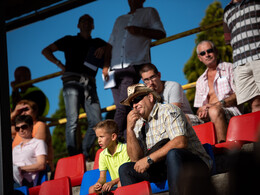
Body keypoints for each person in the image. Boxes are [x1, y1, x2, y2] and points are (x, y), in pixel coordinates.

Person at [119, 83, 212, 195]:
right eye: (131, 103)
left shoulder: (168, 110)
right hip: (162, 167)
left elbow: (180, 142)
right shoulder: (137, 124)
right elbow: (135, 160)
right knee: (125, 169)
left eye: (137, 99)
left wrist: (149, 159)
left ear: (150, 97)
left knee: (173, 153)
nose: (134, 105)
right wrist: (129, 130)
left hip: (192, 164)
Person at [42, 14, 107, 159]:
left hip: (90, 84)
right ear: (78, 25)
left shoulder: (97, 42)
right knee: (72, 120)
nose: (86, 23)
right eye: (83, 21)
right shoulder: (69, 40)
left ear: (93, 26)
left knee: (97, 122)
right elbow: (46, 50)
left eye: (90, 21)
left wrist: (104, 49)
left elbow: (113, 47)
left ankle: (83, 154)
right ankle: (73, 157)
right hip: (71, 81)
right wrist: (59, 64)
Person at [103, 0, 166, 139]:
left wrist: (140, 30)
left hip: (133, 64)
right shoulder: (120, 19)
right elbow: (110, 43)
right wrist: (106, 65)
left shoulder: (149, 12)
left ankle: (111, 139)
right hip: (114, 68)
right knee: (121, 108)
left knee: (121, 106)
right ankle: (125, 141)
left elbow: (161, 33)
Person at [194, 40, 241, 143]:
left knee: (214, 110)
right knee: (186, 119)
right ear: (200, 58)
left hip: (229, 111)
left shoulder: (229, 68)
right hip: (208, 115)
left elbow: (240, 94)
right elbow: (199, 108)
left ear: (216, 51)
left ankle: (223, 150)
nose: (207, 55)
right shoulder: (200, 80)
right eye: (203, 53)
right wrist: (201, 111)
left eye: (209, 51)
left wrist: (220, 104)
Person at [223, 0, 260, 113]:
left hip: (258, 57)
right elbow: (228, 39)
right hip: (240, 63)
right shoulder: (226, 11)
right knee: (254, 104)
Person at [11, 100, 54, 172]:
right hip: (20, 171)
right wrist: (14, 113)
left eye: (26, 109)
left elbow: (33, 148)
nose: (23, 113)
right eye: (20, 111)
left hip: (38, 171)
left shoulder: (40, 125)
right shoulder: (18, 130)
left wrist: (17, 169)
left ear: (35, 111)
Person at [89, 119, 130, 194]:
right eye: (97, 137)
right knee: (92, 189)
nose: (99, 140)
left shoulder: (125, 149)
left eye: (101, 137)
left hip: (126, 181)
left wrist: (112, 182)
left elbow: (126, 174)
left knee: (120, 184)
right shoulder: (102, 154)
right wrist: (98, 184)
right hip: (114, 184)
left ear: (113, 137)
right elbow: (102, 178)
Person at [13, 115, 47, 188]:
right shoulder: (15, 149)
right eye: (17, 128)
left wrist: (19, 169)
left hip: (27, 182)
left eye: (24, 127)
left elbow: (42, 165)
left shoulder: (38, 143)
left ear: (31, 126)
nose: (21, 130)